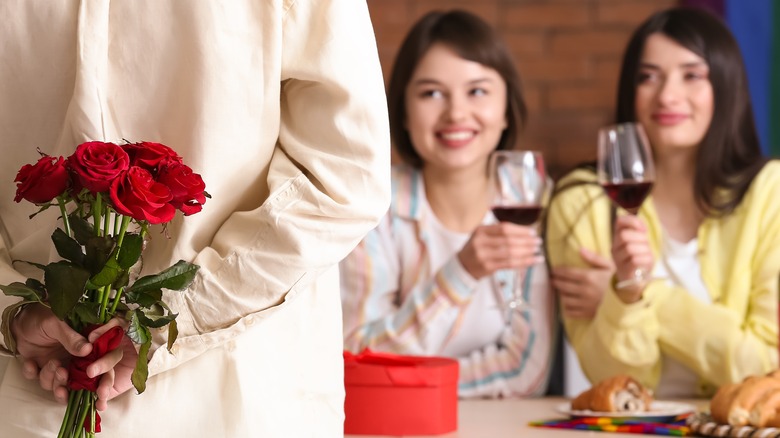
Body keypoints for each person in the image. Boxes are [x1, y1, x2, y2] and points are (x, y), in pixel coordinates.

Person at [0, 1, 390, 436]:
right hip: (44, 387)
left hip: (228, 391)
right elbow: (341, 179)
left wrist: (160, 323)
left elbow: (339, 180)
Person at [545, 6, 780, 398]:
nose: (667, 95)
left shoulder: (770, 191)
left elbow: (764, 367)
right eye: (648, 77)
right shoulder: (582, 200)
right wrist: (627, 297)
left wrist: (643, 292)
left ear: (725, 86)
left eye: (691, 75)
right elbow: (613, 384)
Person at [340, 9, 555, 399]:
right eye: (431, 93)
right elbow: (359, 354)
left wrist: (421, 382)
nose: (456, 113)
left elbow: (527, 371)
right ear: (403, 112)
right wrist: (461, 273)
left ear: (506, 108)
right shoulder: (373, 204)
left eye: (477, 91)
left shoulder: (531, 194)